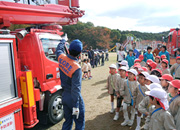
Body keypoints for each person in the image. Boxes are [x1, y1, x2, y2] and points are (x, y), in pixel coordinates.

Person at [56, 39, 85, 130]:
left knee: (68, 121)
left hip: (65, 96)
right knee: (79, 123)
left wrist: (63, 41)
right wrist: (76, 106)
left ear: (68, 50)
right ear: (80, 53)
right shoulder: (76, 68)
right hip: (73, 98)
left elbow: (58, 49)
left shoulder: (61, 57)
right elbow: (76, 89)